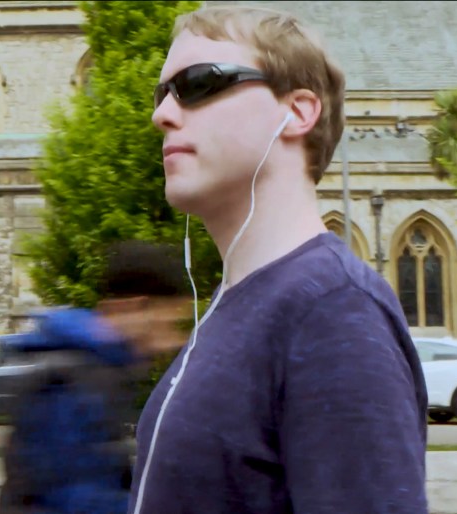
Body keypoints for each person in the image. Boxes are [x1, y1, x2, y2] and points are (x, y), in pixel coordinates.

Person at [129, 5, 428, 514]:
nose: (162, 114)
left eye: (199, 83)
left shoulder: (335, 313)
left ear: (298, 111)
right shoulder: (235, 305)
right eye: (162, 94)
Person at [0, 240, 193, 514]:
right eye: (169, 322)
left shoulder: (105, 369)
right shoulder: (70, 381)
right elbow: (71, 499)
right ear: (135, 308)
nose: (173, 341)